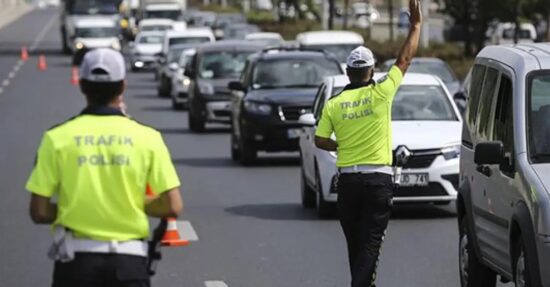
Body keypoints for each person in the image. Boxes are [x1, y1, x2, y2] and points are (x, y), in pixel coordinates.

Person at [26, 48, 183, 287]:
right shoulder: (148, 138)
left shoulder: (56, 138)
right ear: (122, 87)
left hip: (76, 264)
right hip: (129, 263)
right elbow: (173, 206)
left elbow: (39, 211)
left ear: (82, 85)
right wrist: (132, 203)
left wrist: (77, 207)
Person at [314, 0, 422, 286]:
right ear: (372, 72)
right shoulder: (382, 93)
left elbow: (320, 139)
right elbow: (404, 61)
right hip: (378, 181)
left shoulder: (335, 104)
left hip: (348, 183)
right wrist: (416, 26)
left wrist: (341, 146)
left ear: (348, 73)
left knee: (356, 246)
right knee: (370, 246)